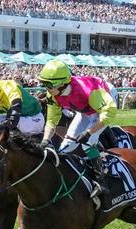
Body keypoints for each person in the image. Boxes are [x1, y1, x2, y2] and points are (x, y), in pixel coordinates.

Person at [38, 59, 118, 198]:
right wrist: (45, 140)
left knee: (88, 142)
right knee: (65, 146)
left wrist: (89, 132)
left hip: (105, 102)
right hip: (84, 110)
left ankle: (101, 181)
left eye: (48, 84)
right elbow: (52, 120)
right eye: (43, 83)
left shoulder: (87, 89)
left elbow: (109, 112)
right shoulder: (53, 94)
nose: (45, 88)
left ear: (62, 84)